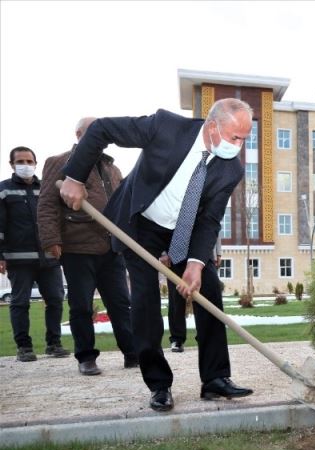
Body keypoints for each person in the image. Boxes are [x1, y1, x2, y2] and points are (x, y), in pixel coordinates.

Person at [60, 98, 254, 412]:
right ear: (212, 125)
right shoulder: (165, 127)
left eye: (245, 139)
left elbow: (209, 219)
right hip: (141, 223)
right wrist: (75, 177)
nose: (239, 146)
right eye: (235, 137)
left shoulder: (231, 168)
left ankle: (215, 379)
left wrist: (194, 264)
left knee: (210, 290)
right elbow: (102, 128)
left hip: (185, 229)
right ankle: (159, 385)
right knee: (145, 302)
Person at [38, 118, 137, 376]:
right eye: (93, 133)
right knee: (81, 305)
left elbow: (122, 204)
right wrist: (51, 239)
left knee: (121, 303)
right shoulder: (59, 163)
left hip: (110, 248)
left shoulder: (111, 167)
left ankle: (132, 352)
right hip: (77, 247)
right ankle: (86, 357)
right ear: (79, 134)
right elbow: (47, 203)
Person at [0, 147, 69, 362]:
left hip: (50, 257)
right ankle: (24, 347)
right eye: (20, 161)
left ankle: (54, 344)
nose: (25, 164)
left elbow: (58, 219)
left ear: (36, 163)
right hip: (19, 259)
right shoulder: (4, 190)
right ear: (12, 164)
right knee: (20, 302)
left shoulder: (48, 188)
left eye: (29, 161)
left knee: (56, 299)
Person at [160, 236, 221, 353]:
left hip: (202, 251)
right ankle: (177, 339)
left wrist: (218, 251)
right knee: (176, 298)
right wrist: (163, 252)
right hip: (174, 251)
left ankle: (204, 337)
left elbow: (213, 223)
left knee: (204, 296)